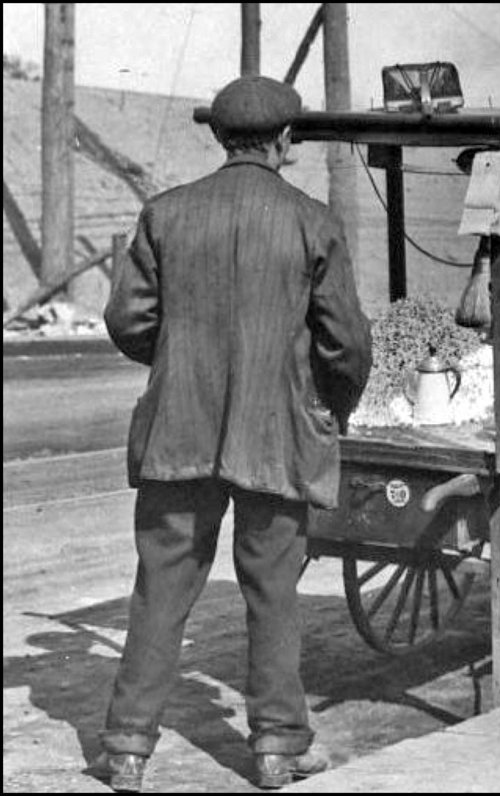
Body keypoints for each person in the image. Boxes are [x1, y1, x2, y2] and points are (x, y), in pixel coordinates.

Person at [94, 75, 372, 791]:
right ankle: (278, 748)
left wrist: (180, 360)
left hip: (174, 433)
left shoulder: (165, 213)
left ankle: (126, 748)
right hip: (273, 435)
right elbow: (346, 346)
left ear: (219, 138)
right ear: (286, 141)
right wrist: (323, 407)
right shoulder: (312, 220)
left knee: (159, 589)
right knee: (272, 591)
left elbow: (128, 321)